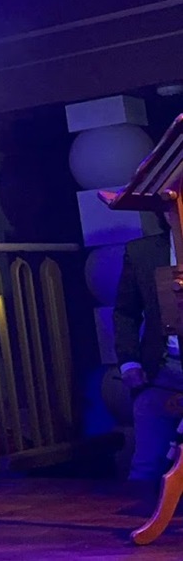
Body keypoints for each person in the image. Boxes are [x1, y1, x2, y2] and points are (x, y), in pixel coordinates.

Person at [113, 205, 183, 485]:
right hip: (162, 371)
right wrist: (129, 363)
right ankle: (142, 512)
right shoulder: (142, 253)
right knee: (148, 465)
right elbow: (125, 312)